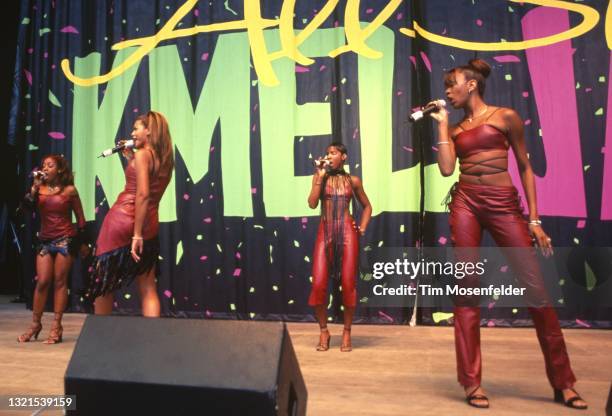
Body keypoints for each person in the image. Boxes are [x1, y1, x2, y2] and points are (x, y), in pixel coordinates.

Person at [430, 59, 587, 409]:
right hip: (466, 202)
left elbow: (526, 167)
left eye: (451, 84)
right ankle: (471, 383)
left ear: (471, 85)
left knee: (537, 290)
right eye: (445, 87)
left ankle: (564, 382)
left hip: (503, 203)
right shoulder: (455, 129)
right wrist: (442, 126)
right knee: (467, 289)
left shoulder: (506, 117)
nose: (447, 91)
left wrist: (534, 220)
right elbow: (445, 169)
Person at [85, 111, 174, 317]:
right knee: (148, 287)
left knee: (105, 283)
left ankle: (101, 335)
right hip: (150, 222)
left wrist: (136, 234)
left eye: (136, 128)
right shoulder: (166, 159)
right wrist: (131, 158)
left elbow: (141, 194)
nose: (132, 133)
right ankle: (152, 342)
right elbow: (150, 191)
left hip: (124, 220)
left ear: (149, 131)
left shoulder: (143, 155)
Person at [307, 142, 372, 352]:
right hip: (324, 233)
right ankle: (324, 331)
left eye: (333, 153)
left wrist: (361, 228)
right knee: (318, 285)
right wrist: (319, 176)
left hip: (347, 233)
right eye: (327, 153)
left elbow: (367, 207)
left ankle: (346, 331)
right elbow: (312, 203)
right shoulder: (321, 178)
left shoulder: (353, 180)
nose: (329, 156)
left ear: (343, 157)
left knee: (348, 284)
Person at [18, 154, 88, 344]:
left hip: (65, 240)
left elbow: (80, 217)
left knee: (59, 282)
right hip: (45, 241)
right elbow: (25, 209)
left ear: (60, 170)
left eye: (50, 165)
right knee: (42, 282)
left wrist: (83, 243)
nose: (46, 168)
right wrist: (33, 188)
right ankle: (35, 324)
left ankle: (57, 325)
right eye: (44, 165)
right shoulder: (38, 189)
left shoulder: (70, 190)